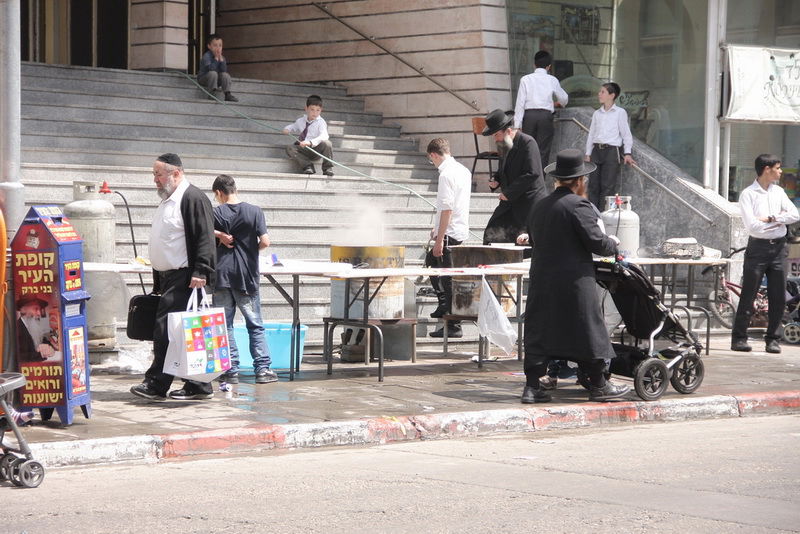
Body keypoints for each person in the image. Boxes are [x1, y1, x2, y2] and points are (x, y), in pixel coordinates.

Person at [522, 148, 630, 404]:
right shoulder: (579, 205)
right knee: (586, 329)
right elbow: (596, 243)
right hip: (573, 281)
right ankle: (599, 384)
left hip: (543, 279)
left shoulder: (540, 205)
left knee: (541, 330)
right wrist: (612, 244)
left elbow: (535, 238)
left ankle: (532, 387)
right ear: (580, 181)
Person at [130, 153, 217, 402]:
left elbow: (205, 237)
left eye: (158, 174)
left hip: (187, 277)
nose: (155, 180)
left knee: (165, 330)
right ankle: (198, 385)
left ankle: (157, 383)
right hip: (170, 277)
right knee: (183, 333)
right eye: (154, 174)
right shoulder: (169, 200)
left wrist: (202, 271)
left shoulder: (192, 198)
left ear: (175, 173)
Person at [211, 174, 277, 384]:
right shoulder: (254, 211)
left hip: (222, 275)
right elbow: (265, 242)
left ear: (219, 193)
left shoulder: (216, 213)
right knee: (254, 324)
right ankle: (263, 370)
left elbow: (201, 233)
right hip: (246, 276)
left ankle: (230, 370)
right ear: (235, 189)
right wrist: (250, 250)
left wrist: (219, 235)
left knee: (225, 325)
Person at [731, 154, 800, 354]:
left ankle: (773, 339)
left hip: (779, 248)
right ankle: (739, 338)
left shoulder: (778, 192)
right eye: (777, 168)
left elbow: (795, 215)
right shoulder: (748, 194)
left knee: (778, 295)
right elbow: (753, 227)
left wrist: (770, 218)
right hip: (758, 249)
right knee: (749, 293)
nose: (780, 172)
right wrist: (780, 221)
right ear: (767, 169)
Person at [424, 138, 472, 339]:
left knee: (447, 277)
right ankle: (444, 304)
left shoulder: (446, 174)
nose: (432, 163)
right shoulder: (463, 170)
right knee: (431, 262)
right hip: (457, 230)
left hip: (450, 233)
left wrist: (439, 238)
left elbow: (447, 209)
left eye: (431, 160)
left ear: (434, 155)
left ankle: (453, 323)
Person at [481, 109, 546, 245]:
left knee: (522, 241)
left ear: (508, 131)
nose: (495, 139)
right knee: (492, 233)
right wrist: (496, 180)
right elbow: (503, 169)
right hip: (510, 202)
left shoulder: (528, 143)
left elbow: (532, 173)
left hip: (528, 203)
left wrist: (508, 193)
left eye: (497, 134)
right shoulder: (504, 143)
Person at [584, 82, 635, 210]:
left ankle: (604, 217)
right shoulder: (597, 113)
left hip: (612, 151)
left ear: (612, 95)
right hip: (596, 150)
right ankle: (592, 215)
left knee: (608, 186)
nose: (599, 94)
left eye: (602, 92)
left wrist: (627, 153)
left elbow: (626, 134)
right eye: (599, 92)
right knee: (593, 185)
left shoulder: (620, 112)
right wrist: (588, 153)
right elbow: (591, 134)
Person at [513, 50, 569, 167]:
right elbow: (564, 99)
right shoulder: (552, 80)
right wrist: (559, 103)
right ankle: (540, 182)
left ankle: (527, 180)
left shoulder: (525, 79)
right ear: (549, 66)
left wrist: (517, 125)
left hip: (529, 117)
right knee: (542, 151)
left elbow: (520, 103)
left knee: (527, 149)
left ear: (534, 64)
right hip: (545, 117)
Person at [283, 95, 334, 176]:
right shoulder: (301, 120)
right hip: (304, 150)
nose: (315, 112)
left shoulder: (321, 122)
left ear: (321, 110)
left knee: (327, 143)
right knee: (290, 148)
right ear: (306, 109)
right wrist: (287, 129)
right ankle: (307, 166)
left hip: (316, 149)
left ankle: (327, 168)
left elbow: (324, 136)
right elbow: (293, 126)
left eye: (318, 110)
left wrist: (310, 142)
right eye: (312, 109)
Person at [197, 34, 238, 102]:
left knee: (225, 75)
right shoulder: (206, 56)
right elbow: (211, 68)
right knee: (213, 73)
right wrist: (216, 59)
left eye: (220, 45)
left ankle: (227, 93)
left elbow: (224, 70)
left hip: (215, 80)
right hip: (204, 79)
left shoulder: (222, 57)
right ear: (209, 46)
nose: (218, 48)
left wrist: (221, 61)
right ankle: (212, 93)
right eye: (215, 45)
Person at [15, 295, 55, 363]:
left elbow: (44, 341)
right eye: (36, 309)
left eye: (39, 310)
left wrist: (49, 348)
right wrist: (41, 354)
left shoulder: (34, 327)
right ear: (23, 309)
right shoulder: (16, 329)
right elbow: (18, 357)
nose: (39, 313)